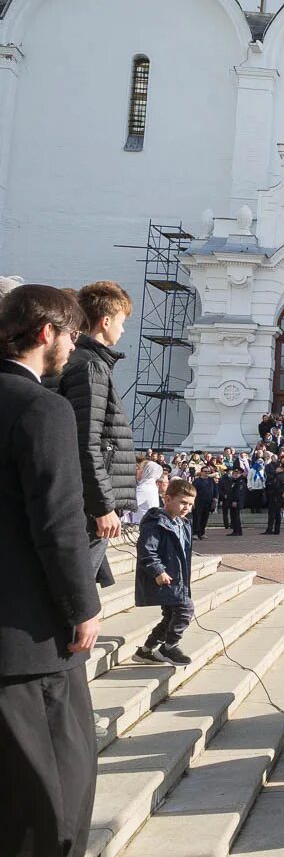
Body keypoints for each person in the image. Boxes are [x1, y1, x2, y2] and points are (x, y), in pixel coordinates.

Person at [0, 284, 101, 857]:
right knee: (54, 794)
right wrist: (82, 607)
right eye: (69, 335)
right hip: (32, 641)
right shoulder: (42, 407)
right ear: (46, 333)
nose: (72, 346)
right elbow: (59, 522)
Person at [52, 280, 135, 590]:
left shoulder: (90, 362)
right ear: (106, 321)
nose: (123, 331)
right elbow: (87, 440)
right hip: (94, 505)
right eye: (122, 323)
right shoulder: (91, 368)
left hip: (92, 497)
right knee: (77, 591)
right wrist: (102, 506)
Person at [133, 478, 196, 665]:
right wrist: (158, 571)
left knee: (170, 616)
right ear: (167, 499)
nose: (187, 508)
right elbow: (147, 549)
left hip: (179, 577)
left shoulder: (183, 523)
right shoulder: (156, 522)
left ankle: (145, 651)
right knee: (185, 609)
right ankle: (169, 648)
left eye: (190, 504)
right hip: (165, 577)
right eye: (183, 502)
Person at [190, 462, 217, 538]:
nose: (207, 473)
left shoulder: (211, 480)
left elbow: (215, 490)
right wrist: (192, 502)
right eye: (205, 471)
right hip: (198, 502)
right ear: (201, 472)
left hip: (208, 502)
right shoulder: (197, 481)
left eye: (208, 472)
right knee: (197, 518)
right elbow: (193, 492)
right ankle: (195, 533)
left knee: (205, 518)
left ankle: (202, 533)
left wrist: (215, 499)